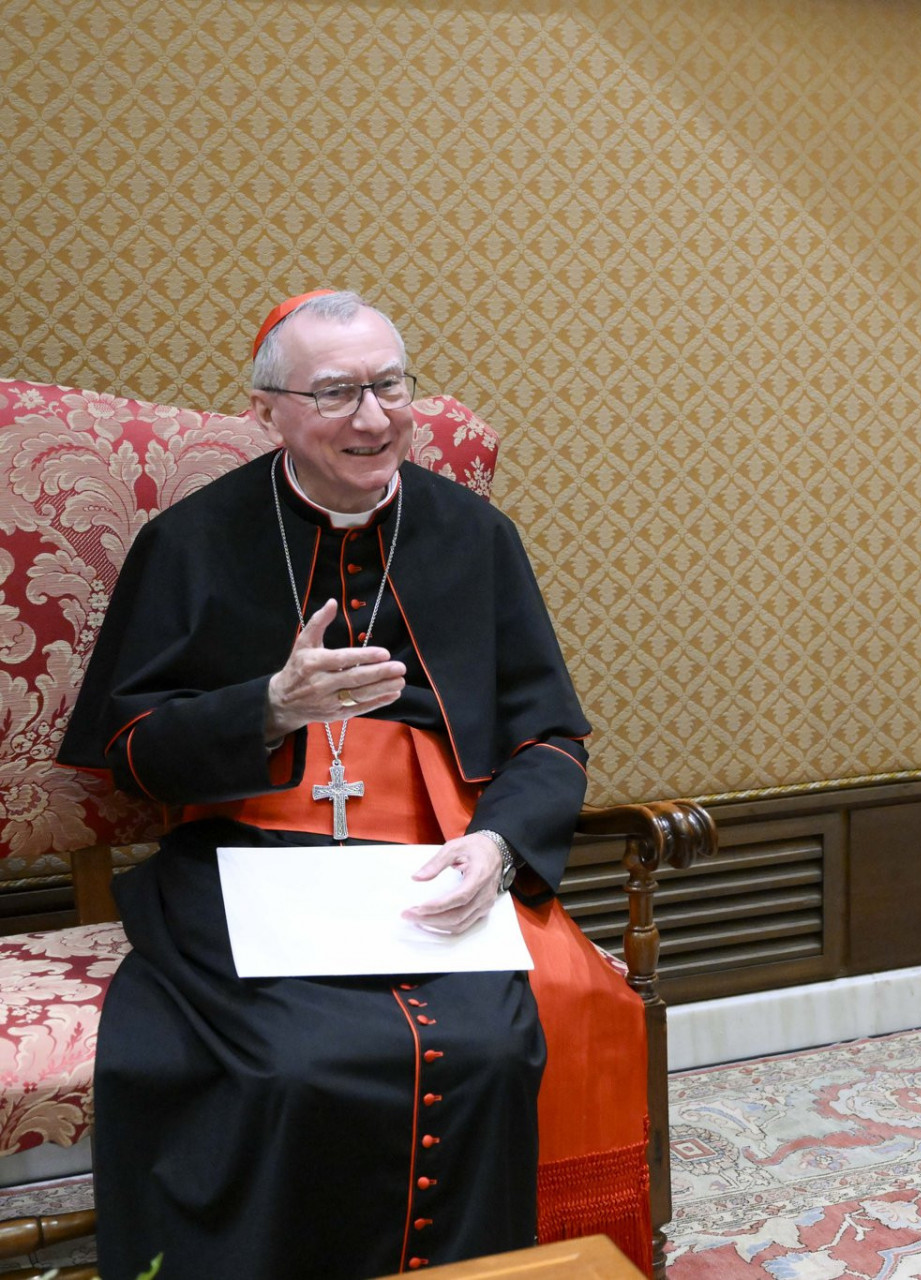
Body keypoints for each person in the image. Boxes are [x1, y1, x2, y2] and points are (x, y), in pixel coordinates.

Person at [58, 291, 650, 1278]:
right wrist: (271, 706)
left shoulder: (475, 536)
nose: (373, 417)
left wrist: (499, 850)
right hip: (242, 854)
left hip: (437, 851)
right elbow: (129, 744)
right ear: (267, 411)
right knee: (290, 1065)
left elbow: (549, 734)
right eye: (335, 392)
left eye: (389, 384)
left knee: (499, 1049)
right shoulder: (194, 540)